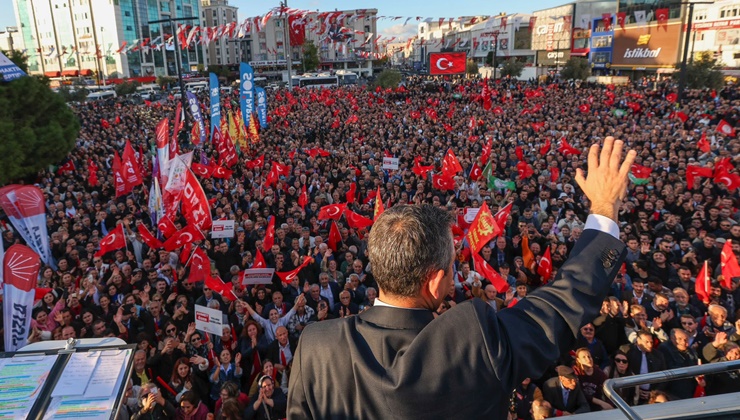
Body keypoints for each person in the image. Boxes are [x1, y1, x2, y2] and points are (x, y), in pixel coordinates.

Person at [288, 139, 635, 418]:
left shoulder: (316, 345)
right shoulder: (477, 341)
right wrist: (604, 208)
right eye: (453, 267)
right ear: (436, 282)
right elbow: (562, 303)